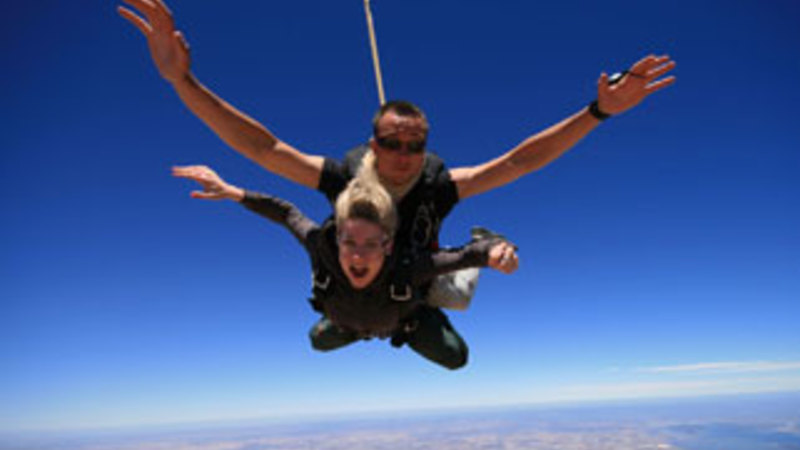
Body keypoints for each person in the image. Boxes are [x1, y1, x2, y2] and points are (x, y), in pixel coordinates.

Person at [119, 0, 676, 308]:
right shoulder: (340, 176)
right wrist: (181, 82)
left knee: (450, 307)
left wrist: (597, 112)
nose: (404, 154)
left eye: (415, 145)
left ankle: (461, 265)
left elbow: (518, 162)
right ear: (374, 143)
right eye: (391, 143)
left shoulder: (438, 184)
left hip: (422, 273)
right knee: (336, 318)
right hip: (363, 275)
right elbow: (262, 147)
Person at [172, 164, 519, 369]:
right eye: (349, 242)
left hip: (405, 319)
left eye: (371, 245)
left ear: (387, 245)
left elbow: (464, 257)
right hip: (351, 319)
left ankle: (409, 313)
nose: (358, 256)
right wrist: (233, 192)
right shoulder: (320, 246)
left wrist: (494, 251)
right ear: (337, 238)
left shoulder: (409, 266)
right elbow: (286, 214)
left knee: (456, 353)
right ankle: (357, 326)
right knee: (317, 341)